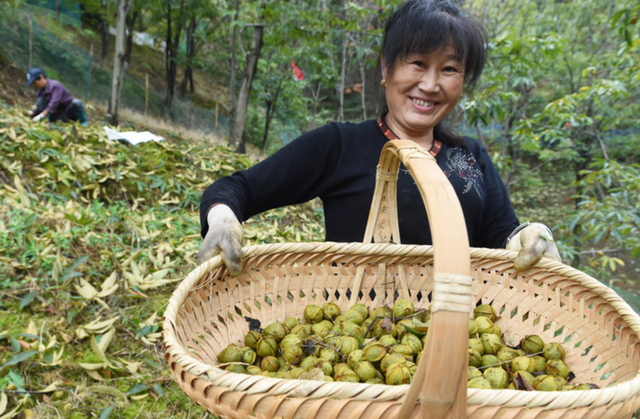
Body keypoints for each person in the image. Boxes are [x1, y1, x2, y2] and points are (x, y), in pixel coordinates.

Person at [198, 0, 561, 275]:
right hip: (356, 344)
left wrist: (529, 235)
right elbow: (236, 190)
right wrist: (223, 219)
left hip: (458, 339)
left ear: (462, 80)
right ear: (387, 66)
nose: (431, 84)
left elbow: (502, 234)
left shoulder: (471, 156)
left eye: (449, 69)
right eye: (418, 63)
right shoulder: (340, 145)